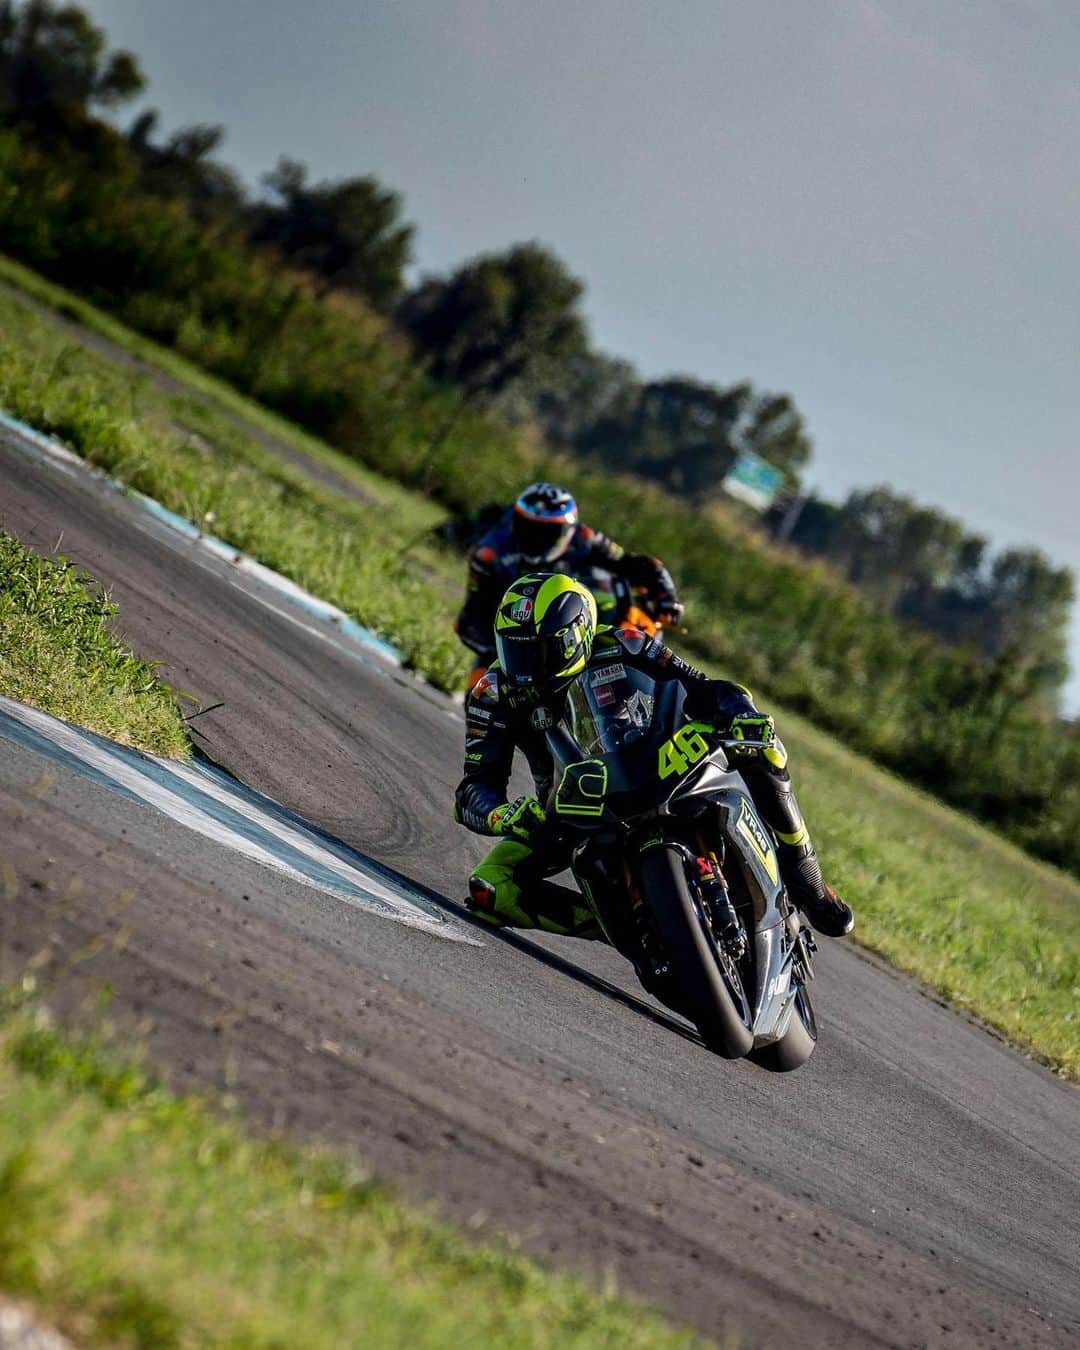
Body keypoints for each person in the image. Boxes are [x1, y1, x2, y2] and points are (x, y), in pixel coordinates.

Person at [453, 573, 854, 955]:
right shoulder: (493, 693)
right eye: (514, 650)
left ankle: (807, 877)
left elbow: (704, 688)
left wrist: (735, 712)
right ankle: (630, 927)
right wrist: (503, 816)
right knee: (491, 887)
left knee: (760, 738)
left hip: (658, 762)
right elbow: (473, 790)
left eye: (536, 651)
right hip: (575, 806)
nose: (523, 669)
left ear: (575, 636)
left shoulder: (628, 643)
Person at [454, 482, 682, 682]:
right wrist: (510, 652)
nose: (535, 539)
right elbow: (469, 621)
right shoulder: (489, 554)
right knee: (480, 690)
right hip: (516, 638)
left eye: (546, 532)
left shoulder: (584, 539)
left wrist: (667, 597)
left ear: (567, 530)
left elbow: (639, 565)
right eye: (528, 528)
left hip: (575, 634)